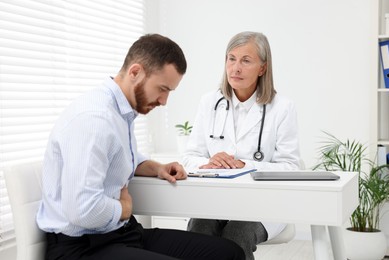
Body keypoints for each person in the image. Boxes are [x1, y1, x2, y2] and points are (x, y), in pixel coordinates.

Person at [36, 34, 245, 260]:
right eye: (162, 89)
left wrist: (157, 168)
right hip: (83, 248)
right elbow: (83, 209)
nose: (164, 101)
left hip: (122, 234)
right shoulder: (94, 120)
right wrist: (124, 209)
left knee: (229, 253)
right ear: (135, 72)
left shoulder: (120, 112)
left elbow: (124, 158)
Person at [182, 31, 301, 260]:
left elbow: (290, 167)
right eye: (231, 58)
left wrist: (244, 165)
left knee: (237, 234)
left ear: (262, 68)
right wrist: (210, 162)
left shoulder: (283, 108)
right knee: (199, 229)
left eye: (246, 61)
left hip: (264, 205)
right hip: (216, 200)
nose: (235, 68)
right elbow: (190, 157)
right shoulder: (209, 103)